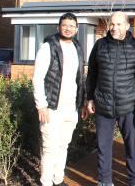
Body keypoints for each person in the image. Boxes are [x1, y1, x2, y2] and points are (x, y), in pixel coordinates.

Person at [85, 12, 135, 186]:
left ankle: (133, 180)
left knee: (131, 147)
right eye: (112, 24)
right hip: (103, 105)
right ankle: (105, 181)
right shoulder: (100, 45)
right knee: (103, 147)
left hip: (128, 107)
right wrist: (89, 99)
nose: (114, 28)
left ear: (127, 26)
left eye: (118, 24)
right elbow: (92, 74)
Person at [32, 12, 86, 186]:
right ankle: (46, 182)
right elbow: (37, 77)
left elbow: (80, 78)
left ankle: (58, 179)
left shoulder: (77, 47)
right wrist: (41, 106)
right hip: (51, 108)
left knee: (63, 146)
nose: (68, 28)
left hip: (71, 108)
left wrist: (82, 102)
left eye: (72, 25)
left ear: (76, 29)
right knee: (50, 147)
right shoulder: (48, 47)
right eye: (65, 25)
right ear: (58, 27)